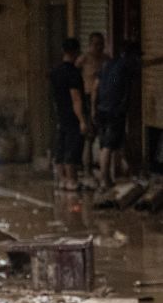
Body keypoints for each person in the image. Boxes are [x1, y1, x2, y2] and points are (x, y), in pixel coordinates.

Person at [94, 40, 140, 189]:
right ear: (130, 55)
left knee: (114, 142)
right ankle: (104, 181)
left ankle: (134, 171)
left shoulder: (108, 64)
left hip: (102, 109)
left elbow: (95, 87)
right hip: (114, 110)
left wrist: (95, 108)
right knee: (108, 146)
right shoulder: (127, 65)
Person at [49, 37, 89, 191]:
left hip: (60, 114)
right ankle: (72, 181)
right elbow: (76, 99)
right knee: (72, 148)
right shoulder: (73, 74)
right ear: (76, 52)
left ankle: (62, 180)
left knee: (61, 147)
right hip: (72, 115)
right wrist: (82, 120)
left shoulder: (55, 72)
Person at [77, 32, 109, 172]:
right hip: (88, 98)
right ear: (90, 45)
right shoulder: (84, 59)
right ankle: (87, 169)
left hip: (104, 99)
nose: (99, 47)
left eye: (101, 44)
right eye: (96, 44)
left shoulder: (106, 59)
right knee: (89, 137)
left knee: (104, 136)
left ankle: (105, 170)